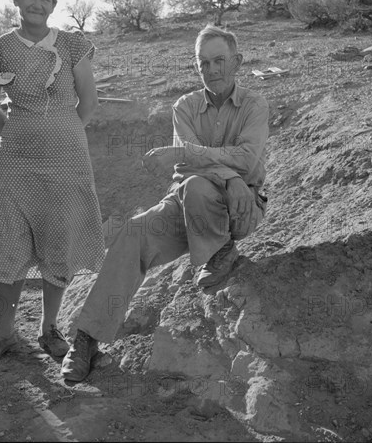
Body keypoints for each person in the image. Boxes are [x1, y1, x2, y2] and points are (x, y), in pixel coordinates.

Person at [60, 24, 269, 382]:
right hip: (186, 203)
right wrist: (229, 174)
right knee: (134, 232)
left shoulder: (254, 105)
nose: (212, 70)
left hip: (240, 206)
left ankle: (218, 252)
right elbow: (184, 165)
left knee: (201, 186)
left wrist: (230, 176)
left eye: (220, 61)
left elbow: (248, 160)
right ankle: (87, 339)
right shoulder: (184, 106)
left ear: (237, 62)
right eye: (203, 64)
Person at [0, 0, 105, 366]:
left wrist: (62, 131)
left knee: (57, 239)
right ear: (17, 0)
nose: (38, 3)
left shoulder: (71, 45)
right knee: (11, 240)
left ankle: (49, 330)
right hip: (15, 160)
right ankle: (4, 335)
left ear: (54, 5)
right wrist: (18, 130)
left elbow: (89, 102)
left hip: (67, 158)